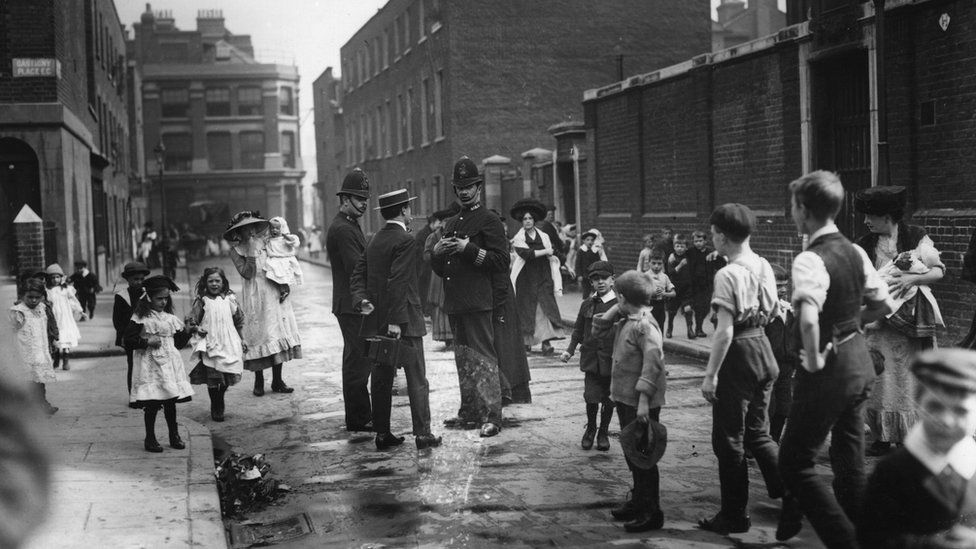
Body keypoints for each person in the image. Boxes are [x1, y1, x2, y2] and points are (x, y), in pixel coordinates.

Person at [781, 170, 894, 548]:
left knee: (794, 462)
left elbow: (809, 317)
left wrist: (812, 360)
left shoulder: (810, 260)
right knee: (849, 464)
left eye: (794, 206)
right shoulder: (856, 250)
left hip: (828, 372)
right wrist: (850, 327)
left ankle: (844, 541)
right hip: (859, 365)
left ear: (803, 210)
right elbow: (883, 304)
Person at [697, 203, 793, 536]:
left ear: (722, 237)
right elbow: (772, 309)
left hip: (739, 353)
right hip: (764, 350)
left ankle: (734, 515)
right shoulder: (763, 264)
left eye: (712, 234)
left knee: (728, 440)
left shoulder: (727, 273)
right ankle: (794, 492)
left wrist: (710, 375)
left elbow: (724, 331)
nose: (712, 238)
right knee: (758, 433)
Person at [853, 185, 946, 457]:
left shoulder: (915, 236)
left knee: (907, 379)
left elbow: (938, 272)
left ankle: (908, 436)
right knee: (881, 379)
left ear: (888, 216)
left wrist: (913, 278)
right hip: (879, 325)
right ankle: (882, 436)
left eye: (871, 215)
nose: (866, 221)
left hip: (910, 324)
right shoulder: (864, 244)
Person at [351, 189, 442, 451]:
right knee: (417, 379)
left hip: (376, 321)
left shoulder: (374, 239)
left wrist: (362, 300)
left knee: (380, 379)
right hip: (404, 321)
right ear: (403, 211)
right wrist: (396, 321)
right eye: (409, 209)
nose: (410, 213)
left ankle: (382, 434)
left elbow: (357, 275)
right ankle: (423, 434)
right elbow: (398, 282)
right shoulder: (406, 240)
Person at [857, 348, 976, 548]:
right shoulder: (894, 470)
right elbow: (871, 537)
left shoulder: (972, 465)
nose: (946, 420)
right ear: (919, 406)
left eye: (960, 410)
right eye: (935, 407)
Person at [431, 156, 508, 438]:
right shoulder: (451, 222)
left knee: (483, 357)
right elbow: (442, 269)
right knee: (462, 358)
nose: (464, 192)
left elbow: (501, 261)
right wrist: (437, 255)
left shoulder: (489, 221)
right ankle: (470, 411)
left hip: (478, 301)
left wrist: (468, 249)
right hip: (456, 301)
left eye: (469, 186)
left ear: (479, 188)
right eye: (459, 187)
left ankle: (492, 416)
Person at [591, 270, 667, 533]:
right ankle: (638, 501)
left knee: (644, 457)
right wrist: (615, 311)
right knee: (632, 453)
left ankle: (651, 511)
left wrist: (645, 401)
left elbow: (653, 364)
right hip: (625, 399)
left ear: (622, 297)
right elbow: (598, 333)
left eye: (618, 300)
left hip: (640, 403)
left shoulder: (644, 326)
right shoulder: (628, 319)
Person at [226, 211, 302, 397]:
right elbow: (247, 273)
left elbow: (279, 263)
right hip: (254, 296)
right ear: (239, 232)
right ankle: (259, 381)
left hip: (273, 290)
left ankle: (278, 380)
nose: (250, 232)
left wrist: (284, 284)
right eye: (245, 229)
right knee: (259, 335)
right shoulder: (236, 251)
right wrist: (251, 252)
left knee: (276, 333)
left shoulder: (267, 243)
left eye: (252, 227)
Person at [123, 275, 194, 453]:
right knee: (153, 402)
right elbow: (128, 340)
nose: (163, 302)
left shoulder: (170, 318)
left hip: (169, 364)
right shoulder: (141, 318)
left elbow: (178, 343)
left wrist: (187, 330)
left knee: (170, 400)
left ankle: (174, 435)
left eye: (165, 298)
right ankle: (150, 438)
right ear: (149, 298)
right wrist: (146, 342)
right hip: (151, 365)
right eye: (159, 298)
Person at [325, 169, 374, 431]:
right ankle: (358, 418)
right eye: (358, 197)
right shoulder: (343, 229)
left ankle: (359, 415)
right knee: (358, 360)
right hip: (351, 304)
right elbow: (357, 267)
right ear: (344, 198)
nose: (364, 202)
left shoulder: (349, 224)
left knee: (356, 358)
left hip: (349, 303)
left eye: (365, 197)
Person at [561, 260, 617, 451]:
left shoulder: (619, 305)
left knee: (609, 399)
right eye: (595, 279)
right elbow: (578, 330)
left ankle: (604, 431)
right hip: (592, 360)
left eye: (604, 278)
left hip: (611, 361)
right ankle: (591, 428)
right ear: (591, 283)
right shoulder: (587, 304)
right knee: (591, 397)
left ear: (613, 280)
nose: (600, 282)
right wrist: (569, 349)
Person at [186, 267, 246, 422]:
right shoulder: (202, 301)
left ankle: (220, 397)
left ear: (223, 282)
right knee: (213, 376)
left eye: (217, 281)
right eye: (210, 281)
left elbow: (239, 320)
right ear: (206, 283)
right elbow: (192, 320)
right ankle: (216, 405)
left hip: (229, 342)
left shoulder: (230, 299)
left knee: (228, 372)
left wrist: (242, 339)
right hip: (210, 343)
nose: (214, 284)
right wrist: (196, 328)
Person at [510, 198, 566, 355]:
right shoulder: (519, 238)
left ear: (534, 220)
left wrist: (554, 256)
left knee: (545, 307)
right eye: (525, 219)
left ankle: (546, 343)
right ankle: (526, 341)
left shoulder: (544, 236)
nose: (527, 221)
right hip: (525, 277)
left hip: (542, 275)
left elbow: (552, 250)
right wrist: (545, 252)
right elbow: (526, 254)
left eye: (530, 218)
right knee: (527, 309)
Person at [490, 208, 532, 405]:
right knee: (505, 344)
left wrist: (498, 306)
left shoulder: (498, 245)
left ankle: (507, 390)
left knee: (504, 344)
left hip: (501, 296)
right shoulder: (500, 243)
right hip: (503, 295)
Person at [9, 279, 59, 415]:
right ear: (23, 295)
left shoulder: (42, 308)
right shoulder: (18, 312)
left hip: (40, 351)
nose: (34, 300)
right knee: (28, 382)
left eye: (37, 297)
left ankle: (42, 404)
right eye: (30, 297)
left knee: (40, 380)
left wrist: (52, 342)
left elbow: (45, 328)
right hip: (25, 353)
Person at [765, 263, 799, 443]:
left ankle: (774, 439)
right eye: (778, 286)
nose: (783, 290)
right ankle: (754, 443)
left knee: (784, 407)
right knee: (767, 407)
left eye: (785, 285)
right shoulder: (764, 311)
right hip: (768, 365)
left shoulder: (788, 309)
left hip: (786, 365)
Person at [424, 205, 460, 351]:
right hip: (439, 275)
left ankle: (454, 336)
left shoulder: (456, 235)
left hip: (455, 274)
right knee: (440, 304)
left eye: (449, 221)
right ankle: (446, 337)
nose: (446, 224)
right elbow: (426, 256)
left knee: (453, 303)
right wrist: (436, 253)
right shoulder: (433, 237)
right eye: (444, 221)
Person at [113, 262, 150, 394]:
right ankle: (133, 394)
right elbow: (117, 319)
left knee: (147, 364)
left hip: (145, 333)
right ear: (128, 280)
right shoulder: (122, 296)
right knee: (133, 364)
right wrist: (122, 334)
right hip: (129, 336)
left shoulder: (147, 294)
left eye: (141, 279)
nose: (139, 282)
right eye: (135, 279)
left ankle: (147, 393)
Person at [45, 264, 84, 371]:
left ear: (61, 277)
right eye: (52, 277)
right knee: (56, 338)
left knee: (65, 337)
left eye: (57, 277)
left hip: (65, 317)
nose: (55, 280)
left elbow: (73, 301)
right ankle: (56, 359)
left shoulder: (66, 289)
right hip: (54, 317)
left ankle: (66, 361)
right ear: (49, 279)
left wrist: (80, 310)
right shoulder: (47, 291)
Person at [263, 216, 304, 300]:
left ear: (282, 228)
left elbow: (294, 242)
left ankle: (285, 289)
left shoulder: (284, 239)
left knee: (283, 275)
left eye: (277, 228)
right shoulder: (270, 239)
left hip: (285, 259)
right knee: (274, 274)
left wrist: (286, 236)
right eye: (272, 228)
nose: (274, 230)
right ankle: (282, 289)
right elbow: (266, 246)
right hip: (275, 259)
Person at [666, 234, 695, 339]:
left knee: (688, 309)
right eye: (677, 246)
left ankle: (690, 329)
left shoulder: (689, 255)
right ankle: (669, 328)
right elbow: (671, 273)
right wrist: (680, 265)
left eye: (682, 246)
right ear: (674, 247)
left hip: (686, 288)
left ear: (686, 247)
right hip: (675, 288)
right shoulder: (672, 258)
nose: (680, 248)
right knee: (672, 311)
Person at [415, 213, 442, 315]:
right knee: (424, 292)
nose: (440, 225)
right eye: (439, 222)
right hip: (424, 269)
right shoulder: (425, 235)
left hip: (426, 268)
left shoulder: (427, 233)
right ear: (433, 222)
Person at [687, 230, 712, 338]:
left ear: (705, 241)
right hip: (695, 284)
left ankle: (698, 327)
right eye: (695, 241)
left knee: (706, 307)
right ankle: (698, 328)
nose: (698, 243)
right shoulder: (690, 252)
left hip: (707, 284)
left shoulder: (710, 253)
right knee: (698, 307)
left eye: (700, 241)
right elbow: (679, 254)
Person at [643, 250, 676, 330]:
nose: (656, 266)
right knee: (648, 328)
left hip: (661, 306)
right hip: (648, 306)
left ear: (663, 263)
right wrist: (651, 293)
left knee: (660, 327)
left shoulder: (664, 277)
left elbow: (673, 293)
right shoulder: (645, 276)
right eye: (653, 263)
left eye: (659, 263)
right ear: (649, 263)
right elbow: (640, 292)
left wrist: (664, 294)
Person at [575, 230, 606, 297]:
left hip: (594, 275)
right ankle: (586, 305)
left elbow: (598, 262)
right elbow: (578, 264)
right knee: (586, 291)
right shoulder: (581, 251)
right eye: (588, 240)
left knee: (596, 290)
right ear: (584, 241)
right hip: (585, 275)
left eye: (592, 240)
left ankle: (595, 305)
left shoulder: (594, 251)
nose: (590, 242)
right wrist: (579, 275)